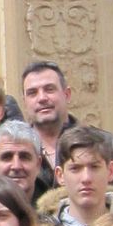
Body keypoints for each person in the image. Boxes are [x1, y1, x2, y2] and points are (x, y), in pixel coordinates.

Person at [20, 60, 75, 193]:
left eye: (49, 89)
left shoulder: (104, 145)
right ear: (24, 101)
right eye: (32, 93)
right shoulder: (12, 152)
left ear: (67, 95)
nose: (42, 98)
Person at [0, 121, 46, 203]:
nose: (16, 166)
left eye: (24, 157)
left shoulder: (57, 212)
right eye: (7, 157)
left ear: (38, 165)